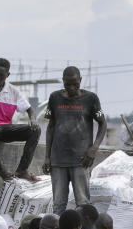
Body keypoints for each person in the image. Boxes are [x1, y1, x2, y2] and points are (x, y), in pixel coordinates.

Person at [43, 67, 107, 214]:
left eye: (75, 84)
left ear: (80, 81)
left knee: (83, 204)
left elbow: (103, 124)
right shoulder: (54, 98)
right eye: (68, 84)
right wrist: (47, 157)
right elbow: (51, 126)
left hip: (81, 160)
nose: (71, 88)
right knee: (58, 205)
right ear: (63, 82)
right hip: (58, 160)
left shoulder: (91, 99)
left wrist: (93, 149)